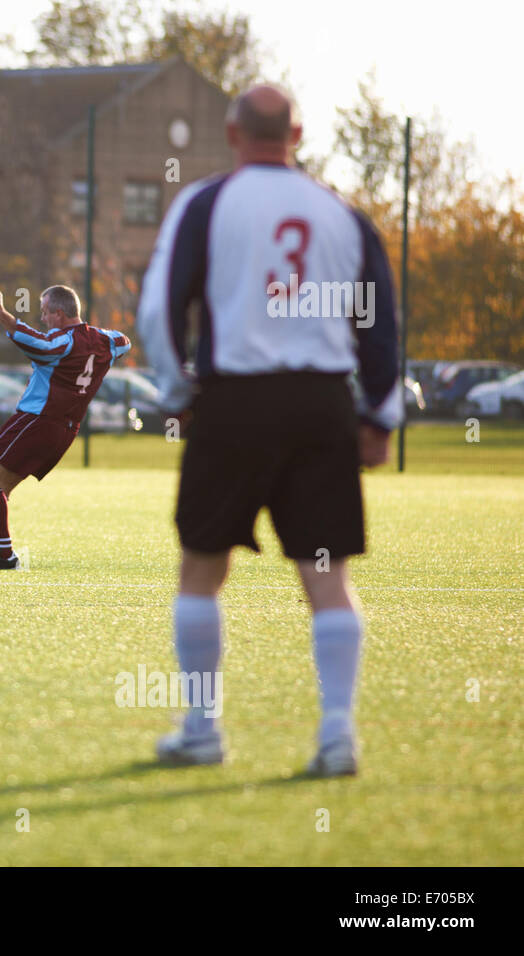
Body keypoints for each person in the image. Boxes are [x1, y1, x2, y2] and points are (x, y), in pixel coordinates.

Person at [135, 85, 400, 777]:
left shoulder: (205, 202)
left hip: (235, 405)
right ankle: (337, 736)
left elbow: (161, 309)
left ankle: (201, 730)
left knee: (202, 568)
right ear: (299, 133)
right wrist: (379, 415)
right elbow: (378, 323)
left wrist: (175, 393)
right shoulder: (343, 215)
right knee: (326, 574)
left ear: (231, 131)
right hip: (320, 407)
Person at [0, 285, 130, 569]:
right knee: (1, 488)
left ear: (59, 313)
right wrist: (91, 337)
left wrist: (1, 312)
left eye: (45, 312)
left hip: (37, 420)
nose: (43, 318)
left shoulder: (63, 344)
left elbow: (40, 344)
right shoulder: (107, 340)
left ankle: (5, 555)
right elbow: (124, 341)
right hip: (66, 431)